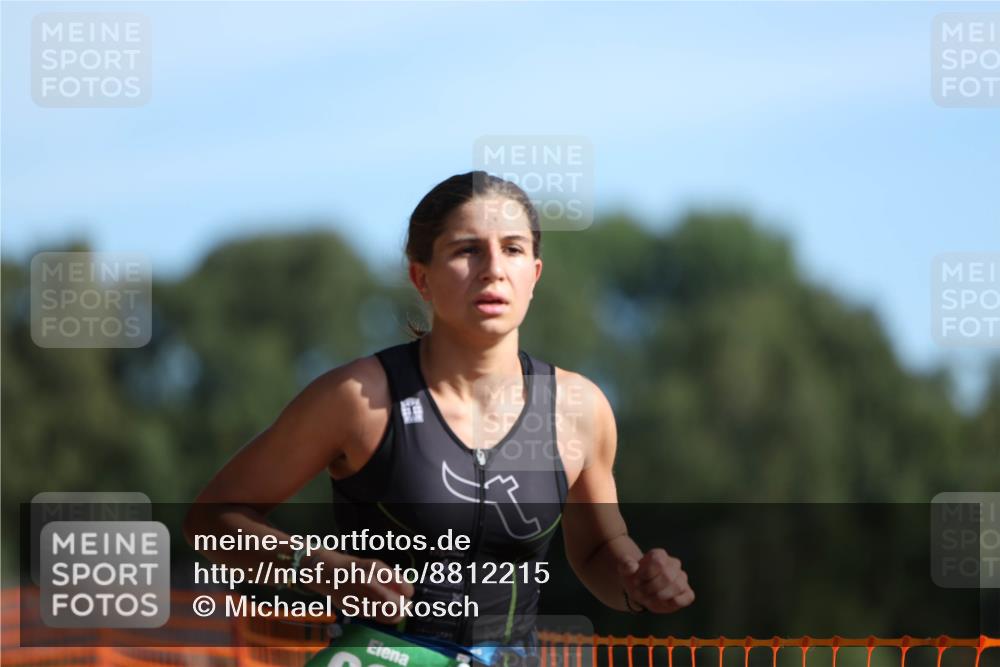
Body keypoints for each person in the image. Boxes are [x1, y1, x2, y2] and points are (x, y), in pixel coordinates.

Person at [183, 171, 694, 667]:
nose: (493, 268)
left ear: (534, 274)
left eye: (513, 249)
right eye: (467, 249)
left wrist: (637, 580)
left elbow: (600, 549)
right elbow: (212, 519)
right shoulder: (357, 399)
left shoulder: (580, 409)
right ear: (420, 277)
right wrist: (323, 567)